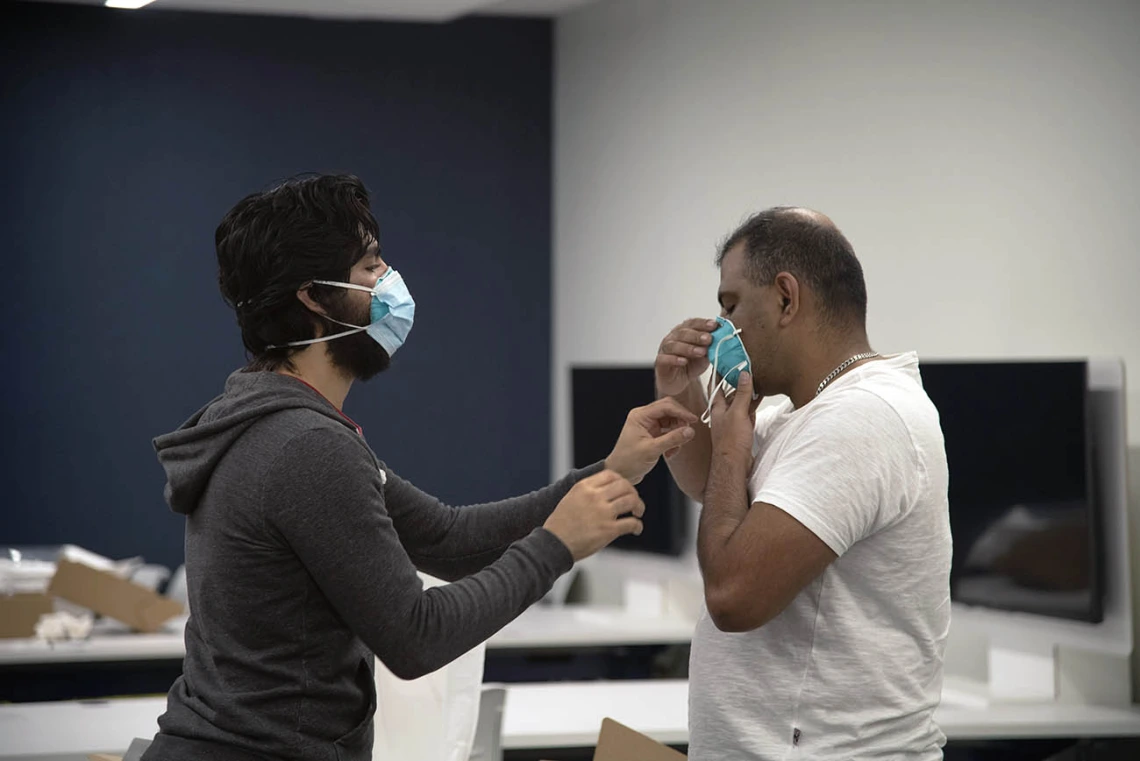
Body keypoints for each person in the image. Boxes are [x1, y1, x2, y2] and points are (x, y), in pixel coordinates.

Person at [143, 174, 697, 761]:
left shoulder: (276, 420)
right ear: (313, 297)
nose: (390, 283)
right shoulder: (305, 445)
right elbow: (415, 637)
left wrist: (611, 471)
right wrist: (556, 546)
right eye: (370, 266)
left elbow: (447, 538)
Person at [657, 207, 952, 760]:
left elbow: (731, 595)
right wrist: (682, 393)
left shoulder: (863, 417)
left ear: (786, 299)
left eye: (731, 306)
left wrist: (728, 446)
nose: (722, 328)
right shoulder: (798, 412)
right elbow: (713, 492)